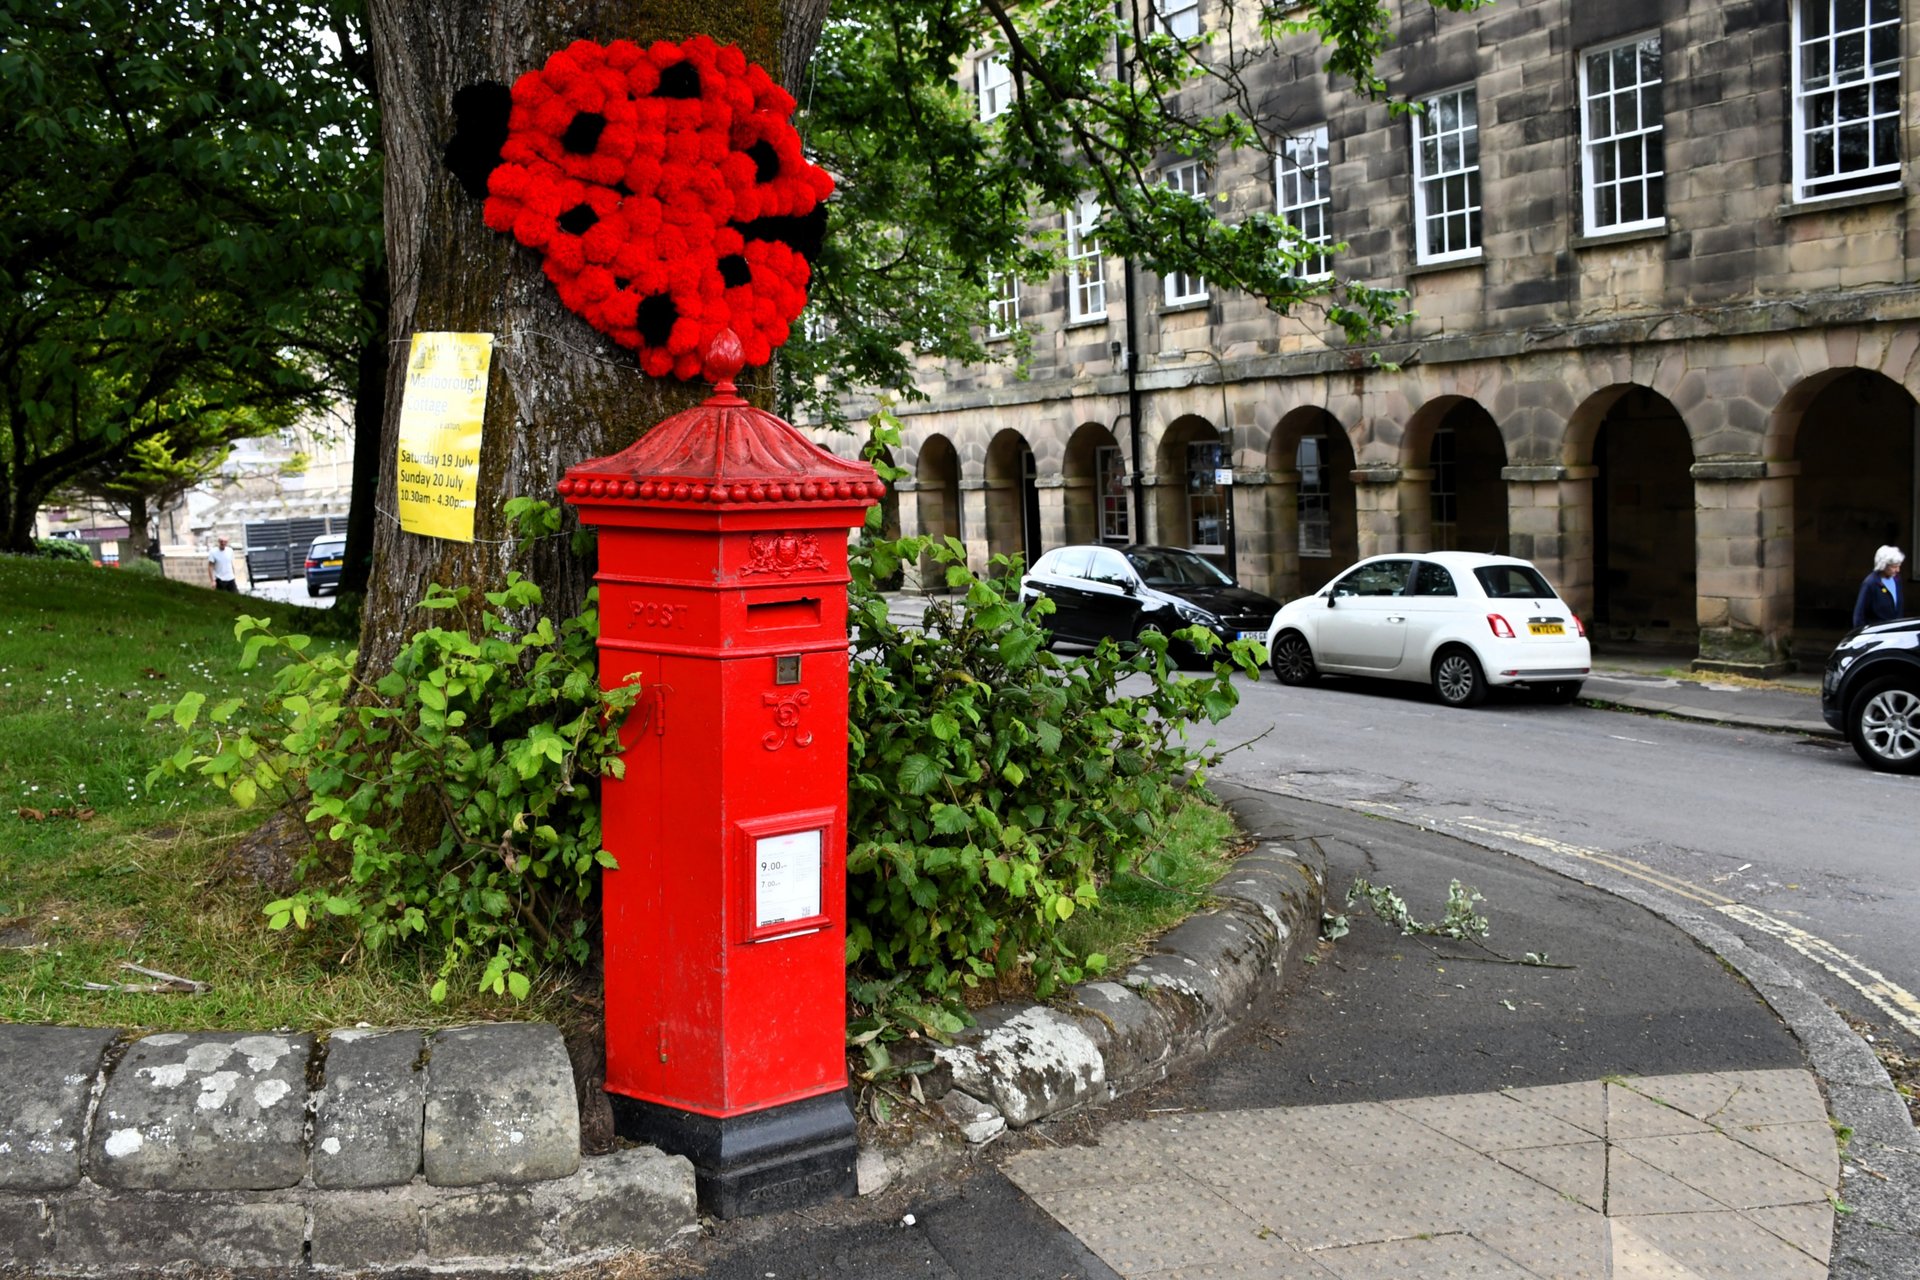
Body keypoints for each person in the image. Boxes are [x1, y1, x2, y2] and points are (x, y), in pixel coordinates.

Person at [1851, 544, 1905, 629]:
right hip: (1878, 635)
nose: (1898, 570)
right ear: (1883, 565)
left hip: (1895, 633)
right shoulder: (1870, 583)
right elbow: (1859, 616)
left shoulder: (1897, 579)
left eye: (1899, 566)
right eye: (1894, 567)